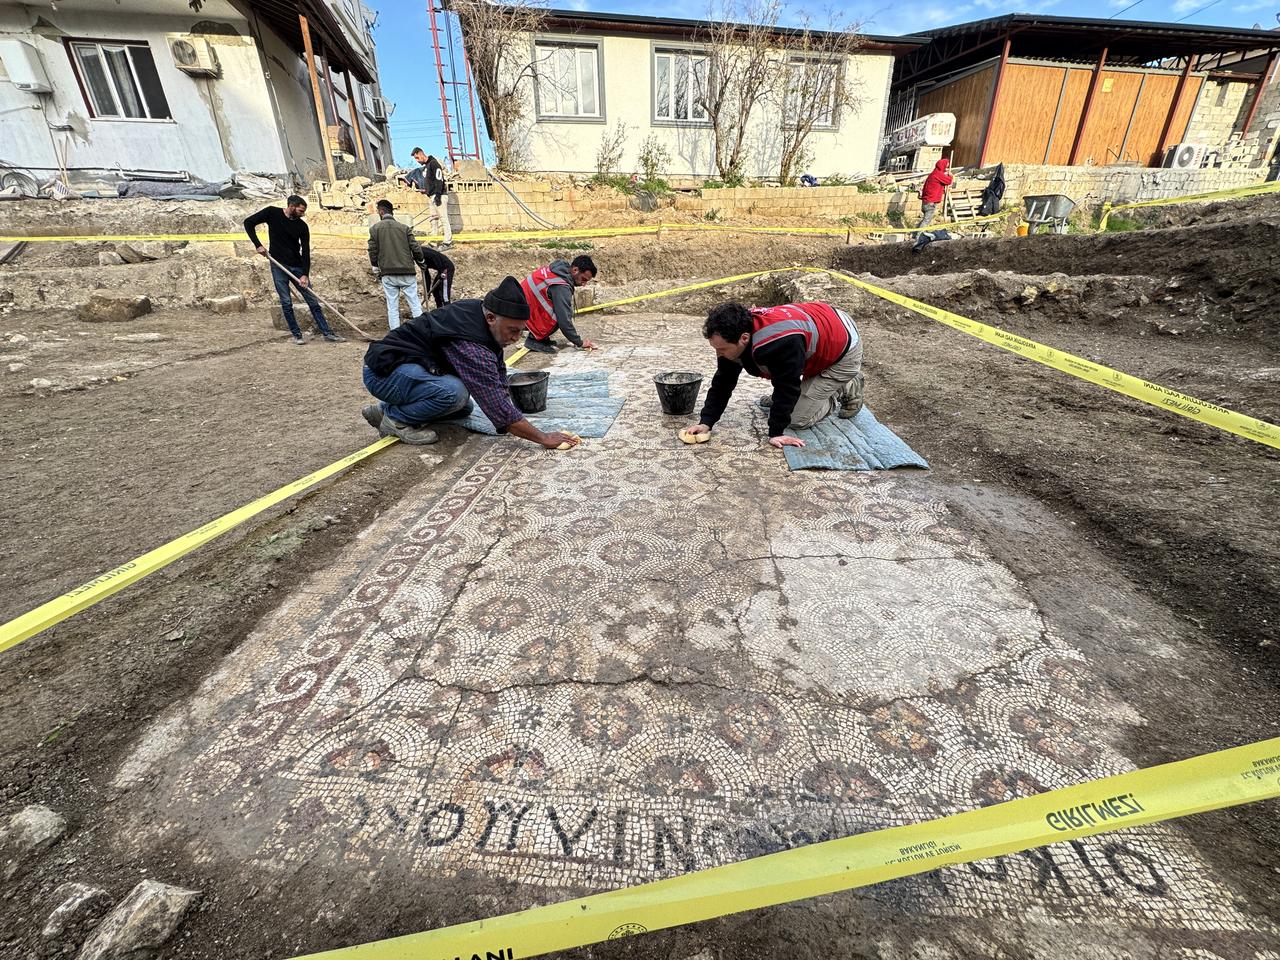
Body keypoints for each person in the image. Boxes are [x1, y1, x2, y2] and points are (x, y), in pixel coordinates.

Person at [361, 276, 581, 449]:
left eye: (520, 331)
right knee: (453, 394)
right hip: (384, 373)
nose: (516, 338)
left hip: (411, 368)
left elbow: (496, 370)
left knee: (462, 407)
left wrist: (507, 398)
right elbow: (497, 408)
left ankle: (383, 410)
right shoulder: (471, 345)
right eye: (512, 331)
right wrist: (542, 437)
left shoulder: (482, 313)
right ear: (491, 318)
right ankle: (394, 418)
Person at [683, 300, 864, 451]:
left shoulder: (779, 343)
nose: (718, 354)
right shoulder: (736, 330)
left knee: (796, 419)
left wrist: (776, 432)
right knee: (778, 376)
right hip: (824, 325)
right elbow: (724, 380)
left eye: (722, 349)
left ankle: (846, 386)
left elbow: (787, 385)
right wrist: (706, 422)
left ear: (744, 338)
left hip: (844, 349)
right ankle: (815, 388)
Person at [244, 195, 345, 345]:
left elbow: (306, 251)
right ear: (291, 206)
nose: (302, 214)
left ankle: (327, 333)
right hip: (277, 265)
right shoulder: (272, 213)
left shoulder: (302, 226)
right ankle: (297, 335)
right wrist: (257, 244)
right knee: (286, 301)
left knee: (312, 300)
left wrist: (305, 274)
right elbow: (248, 222)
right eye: (300, 210)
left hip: (297, 266)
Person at [520, 255, 598, 354]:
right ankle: (534, 340)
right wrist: (580, 342)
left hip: (522, 306)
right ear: (575, 270)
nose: (584, 284)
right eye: (583, 279)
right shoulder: (561, 286)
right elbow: (564, 321)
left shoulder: (558, 269)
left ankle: (541, 338)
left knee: (560, 308)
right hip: (521, 314)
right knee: (561, 314)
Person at [368, 199, 425, 331]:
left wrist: (375, 268)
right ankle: (421, 333)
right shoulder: (404, 228)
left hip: (388, 273)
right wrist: (421, 262)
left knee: (392, 307)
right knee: (415, 305)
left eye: (378, 211)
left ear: (381, 212)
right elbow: (415, 248)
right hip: (407, 272)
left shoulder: (374, 229)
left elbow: (372, 250)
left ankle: (395, 336)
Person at [410, 146, 452, 248]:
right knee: (433, 220)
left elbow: (439, 179)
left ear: (421, 154)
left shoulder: (433, 163)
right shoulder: (427, 166)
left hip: (439, 195)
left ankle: (448, 242)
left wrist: (438, 195)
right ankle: (433, 242)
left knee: (443, 219)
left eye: (417, 158)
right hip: (432, 196)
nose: (417, 161)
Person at [916, 157, 953, 231]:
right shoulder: (938, 174)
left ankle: (915, 233)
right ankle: (918, 236)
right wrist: (951, 175)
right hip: (930, 202)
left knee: (925, 219)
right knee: (926, 221)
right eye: (946, 167)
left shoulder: (933, 173)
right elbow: (948, 181)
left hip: (926, 201)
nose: (946, 168)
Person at [419, 245, 456, 309]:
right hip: (441, 269)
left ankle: (448, 312)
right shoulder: (418, 258)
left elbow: (436, 256)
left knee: (445, 295)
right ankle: (440, 310)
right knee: (435, 291)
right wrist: (427, 292)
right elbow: (426, 275)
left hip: (446, 268)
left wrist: (442, 274)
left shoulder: (423, 252)